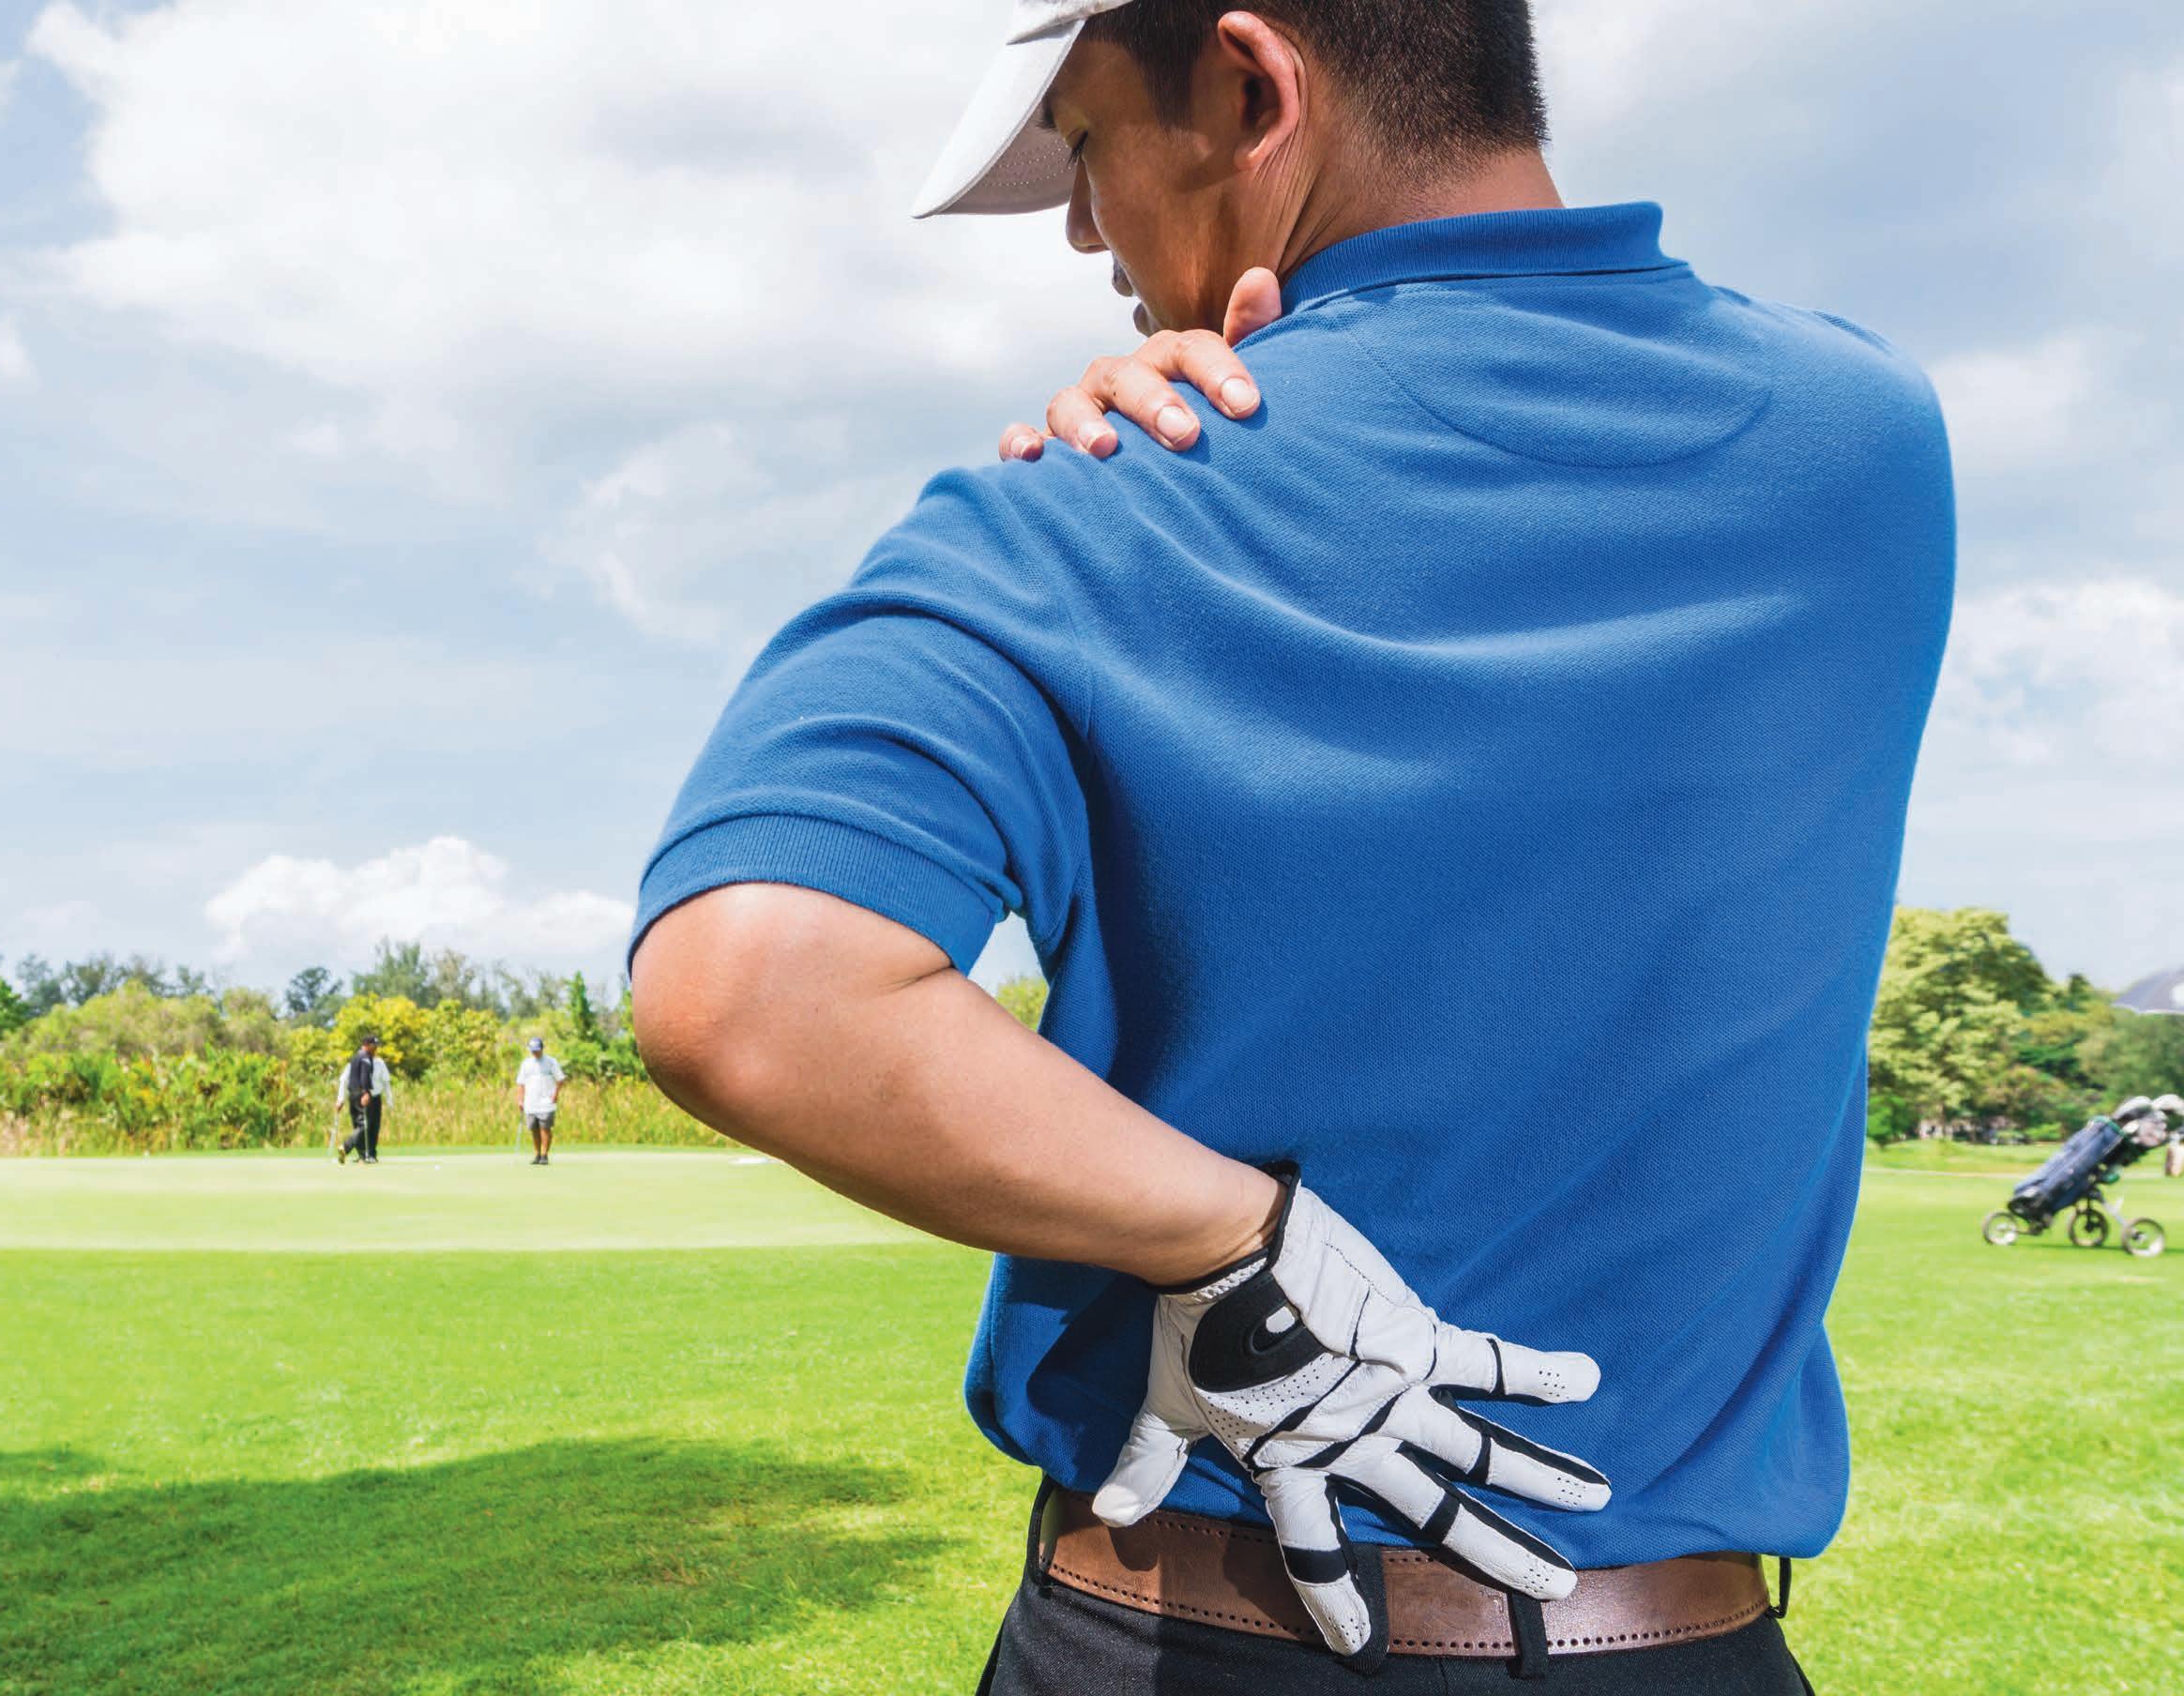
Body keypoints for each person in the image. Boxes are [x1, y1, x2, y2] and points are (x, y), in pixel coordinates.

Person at [631, 3, 1952, 1690]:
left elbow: (752, 986)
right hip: (1686, 1648)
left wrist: (1232, 1244)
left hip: (1181, 1639)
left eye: (1088, 146)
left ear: (1251, 87)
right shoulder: (1869, 444)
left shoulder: (1082, 512)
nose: (1084, 228)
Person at [335, 1035, 389, 1166]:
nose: (376, 1049)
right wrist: (366, 1092)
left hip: (353, 1095)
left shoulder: (355, 1057)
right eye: (374, 1046)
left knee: (360, 1125)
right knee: (365, 1125)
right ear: (367, 1045)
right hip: (361, 1094)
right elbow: (364, 1076)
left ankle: (363, 1156)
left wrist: (341, 1098)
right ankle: (346, 1147)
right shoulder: (366, 1058)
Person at [514, 1036, 565, 1165]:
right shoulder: (526, 1064)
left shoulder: (551, 1062)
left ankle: (544, 1155)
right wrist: (520, 1100)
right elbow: (521, 1083)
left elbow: (560, 1079)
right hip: (530, 1102)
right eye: (533, 1050)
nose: (535, 1053)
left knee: (545, 1129)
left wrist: (555, 1095)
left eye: (537, 1050)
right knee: (534, 1129)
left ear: (542, 1049)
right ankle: (537, 1154)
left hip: (547, 1102)